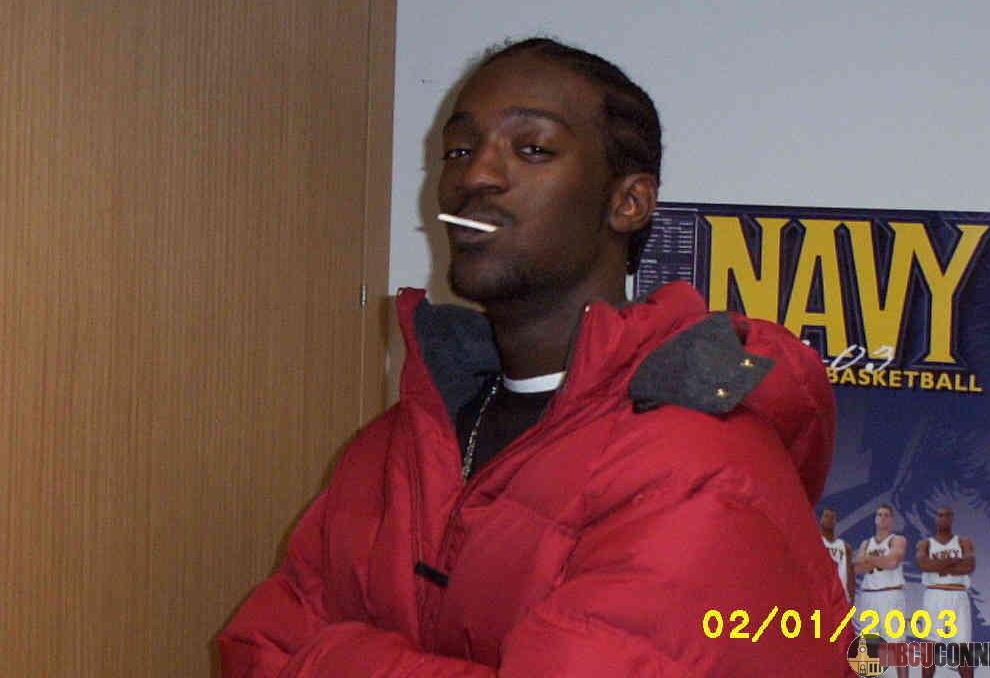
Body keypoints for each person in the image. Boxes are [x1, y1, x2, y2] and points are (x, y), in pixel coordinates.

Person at [217, 37, 853, 676]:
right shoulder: (395, 446)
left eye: (532, 149)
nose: (474, 176)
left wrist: (332, 658)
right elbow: (257, 648)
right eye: (459, 150)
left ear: (628, 202)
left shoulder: (700, 462)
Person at [917, 506, 975, 678]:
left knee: (963, 649)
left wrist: (939, 567)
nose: (944, 518)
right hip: (935, 595)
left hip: (958, 595)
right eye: (940, 515)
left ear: (952, 518)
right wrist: (953, 560)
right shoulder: (925, 544)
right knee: (930, 648)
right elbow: (924, 565)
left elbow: (969, 566)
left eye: (948, 515)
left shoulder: (963, 542)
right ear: (936, 518)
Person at [853, 504, 908, 678]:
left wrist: (869, 559)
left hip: (890, 595)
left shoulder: (897, 540)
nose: (882, 518)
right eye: (879, 515)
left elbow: (892, 562)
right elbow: (858, 568)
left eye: (886, 515)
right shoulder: (866, 543)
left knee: (897, 644)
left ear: (892, 520)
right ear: (875, 519)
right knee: (868, 644)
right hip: (869, 595)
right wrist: (879, 560)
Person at [820, 508, 855, 605]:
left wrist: (851, 600)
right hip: (819, 595)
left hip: (840, 598)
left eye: (832, 518)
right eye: (826, 516)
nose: (829, 520)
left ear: (836, 521)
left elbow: (850, 574)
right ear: (821, 519)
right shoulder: (814, 542)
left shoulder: (845, 546)